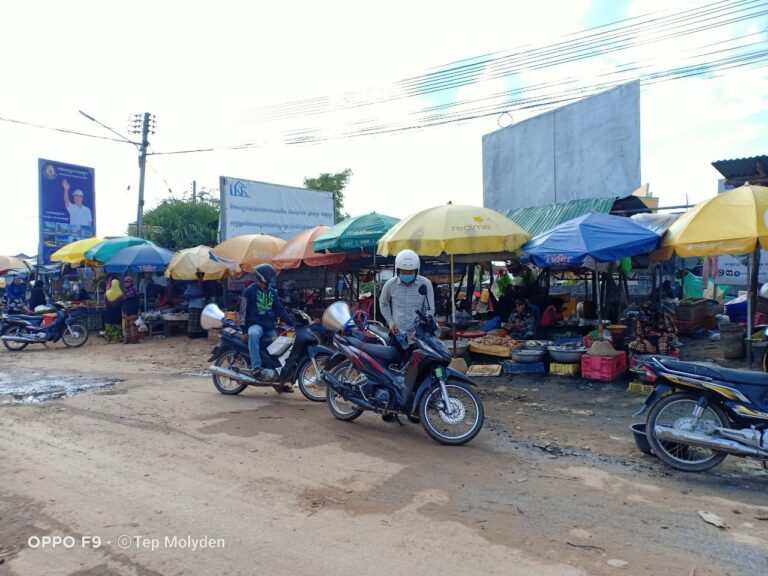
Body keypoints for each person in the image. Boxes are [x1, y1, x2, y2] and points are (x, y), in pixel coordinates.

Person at [239, 263, 294, 391]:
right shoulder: (249, 291)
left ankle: (278, 381)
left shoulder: (272, 292)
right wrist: (244, 330)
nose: (273, 279)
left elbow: (280, 310)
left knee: (278, 349)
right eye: (272, 276)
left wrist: (293, 323)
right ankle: (255, 367)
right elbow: (242, 311)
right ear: (264, 277)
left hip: (269, 327)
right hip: (255, 325)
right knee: (253, 334)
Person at [379, 250, 435, 339]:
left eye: (410, 272)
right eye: (403, 272)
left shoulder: (425, 284)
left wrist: (421, 329)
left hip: (418, 335)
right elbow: (383, 303)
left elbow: (429, 309)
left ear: (416, 271)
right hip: (396, 332)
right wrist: (390, 321)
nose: (407, 275)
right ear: (398, 270)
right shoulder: (390, 284)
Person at [122, 276, 142, 343]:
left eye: (127, 282)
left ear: (131, 283)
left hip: (133, 310)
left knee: (133, 325)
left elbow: (137, 301)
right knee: (127, 326)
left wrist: (138, 310)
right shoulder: (126, 292)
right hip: (128, 311)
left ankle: (134, 339)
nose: (126, 284)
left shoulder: (133, 291)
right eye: (125, 282)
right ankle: (129, 339)